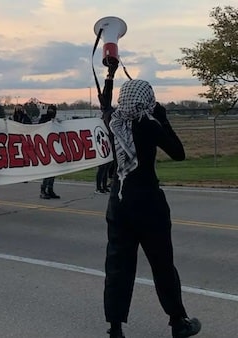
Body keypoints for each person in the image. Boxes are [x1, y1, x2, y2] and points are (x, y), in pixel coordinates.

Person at [103, 79, 201, 338]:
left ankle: (115, 328)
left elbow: (105, 103)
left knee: (117, 267)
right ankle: (178, 322)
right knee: (162, 264)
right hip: (148, 203)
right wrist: (163, 118)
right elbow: (178, 153)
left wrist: (109, 76)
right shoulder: (149, 125)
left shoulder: (112, 122)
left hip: (119, 202)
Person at [38, 105, 60, 199]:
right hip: (45, 147)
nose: (52, 112)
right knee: (48, 170)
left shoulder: (55, 121)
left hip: (54, 148)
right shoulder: (44, 120)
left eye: (53, 111)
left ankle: (50, 189)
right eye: (50, 110)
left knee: (53, 170)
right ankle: (43, 190)